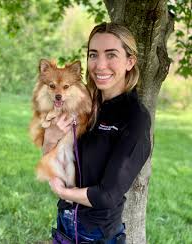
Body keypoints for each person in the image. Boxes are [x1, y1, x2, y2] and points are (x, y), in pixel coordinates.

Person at [43, 22, 151, 243]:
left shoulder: (135, 117)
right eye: (94, 55)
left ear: (130, 62)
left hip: (97, 234)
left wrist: (63, 193)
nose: (100, 65)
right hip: (64, 225)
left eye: (111, 55)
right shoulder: (81, 105)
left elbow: (107, 195)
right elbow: (52, 159)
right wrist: (51, 136)